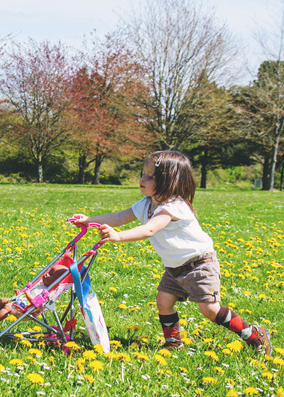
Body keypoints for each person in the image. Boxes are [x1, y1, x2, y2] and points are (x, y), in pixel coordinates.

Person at [71, 150, 272, 355]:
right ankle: (173, 343)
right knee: (163, 302)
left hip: (200, 264)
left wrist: (119, 236)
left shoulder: (175, 206)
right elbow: (119, 217)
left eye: (150, 176)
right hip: (175, 268)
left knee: (210, 310)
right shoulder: (146, 204)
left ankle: (254, 334)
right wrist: (89, 220)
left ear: (169, 182)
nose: (142, 178)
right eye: (143, 173)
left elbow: (150, 229)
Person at [0, 265, 69, 323]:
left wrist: (27, 294)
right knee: (3, 300)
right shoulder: (41, 285)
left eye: (51, 275)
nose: (46, 274)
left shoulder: (49, 293)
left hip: (26, 309)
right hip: (21, 301)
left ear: (57, 281)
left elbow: (38, 304)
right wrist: (20, 294)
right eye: (48, 272)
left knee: (7, 307)